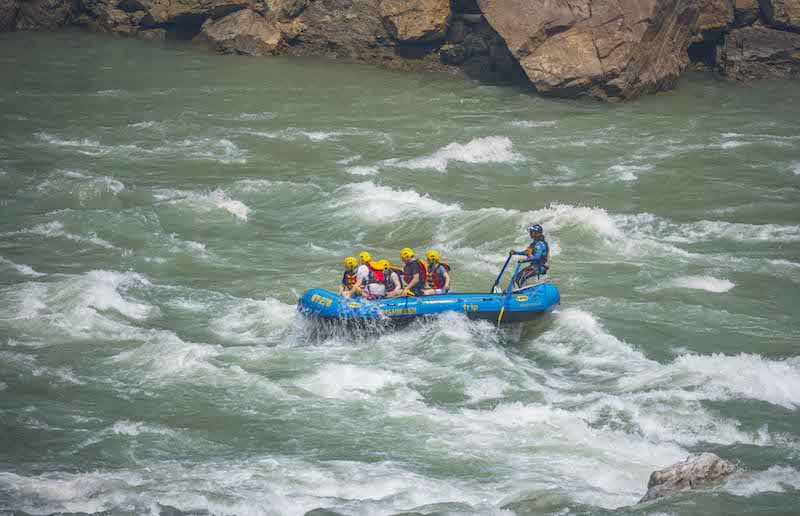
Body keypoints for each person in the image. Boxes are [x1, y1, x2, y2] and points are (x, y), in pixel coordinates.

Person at [511, 223, 550, 288]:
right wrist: (516, 253)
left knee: (519, 278)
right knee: (515, 278)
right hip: (534, 266)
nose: (530, 234)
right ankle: (517, 291)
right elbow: (526, 252)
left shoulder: (540, 244)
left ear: (536, 234)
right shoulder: (535, 243)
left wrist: (524, 260)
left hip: (539, 267)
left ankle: (519, 295)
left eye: (532, 232)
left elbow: (537, 257)